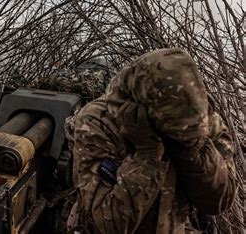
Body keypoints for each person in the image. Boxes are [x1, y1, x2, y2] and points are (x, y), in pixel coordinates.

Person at [69, 48, 237, 233]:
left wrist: (192, 149)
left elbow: (220, 201)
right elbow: (106, 225)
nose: (186, 136)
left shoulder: (200, 116)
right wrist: (147, 156)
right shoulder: (98, 122)